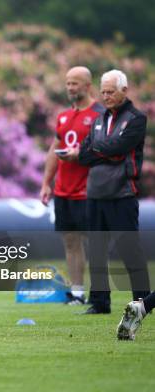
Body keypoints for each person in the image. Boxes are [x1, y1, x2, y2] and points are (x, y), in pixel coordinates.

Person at [63, 69, 150, 314]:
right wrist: (105, 151)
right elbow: (85, 153)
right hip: (95, 193)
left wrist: (98, 150)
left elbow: (121, 147)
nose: (106, 96)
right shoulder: (99, 120)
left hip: (122, 193)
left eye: (110, 91)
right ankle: (100, 303)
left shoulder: (136, 118)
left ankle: (142, 303)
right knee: (97, 251)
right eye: (103, 92)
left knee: (129, 250)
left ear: (124, 90)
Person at [40, 66, 104, 305]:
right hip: (64, 190)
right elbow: (52, 151)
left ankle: (100, 294)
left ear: (88, 85)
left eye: (75, 83)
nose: (70, 87)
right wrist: (46, 183)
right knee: (70, 241)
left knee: (95, 241)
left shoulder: (99, 114)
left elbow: (106, 149)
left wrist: (81, 154)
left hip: (89, 189)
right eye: (67, 83)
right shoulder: (64, 116)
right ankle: (77, 293)